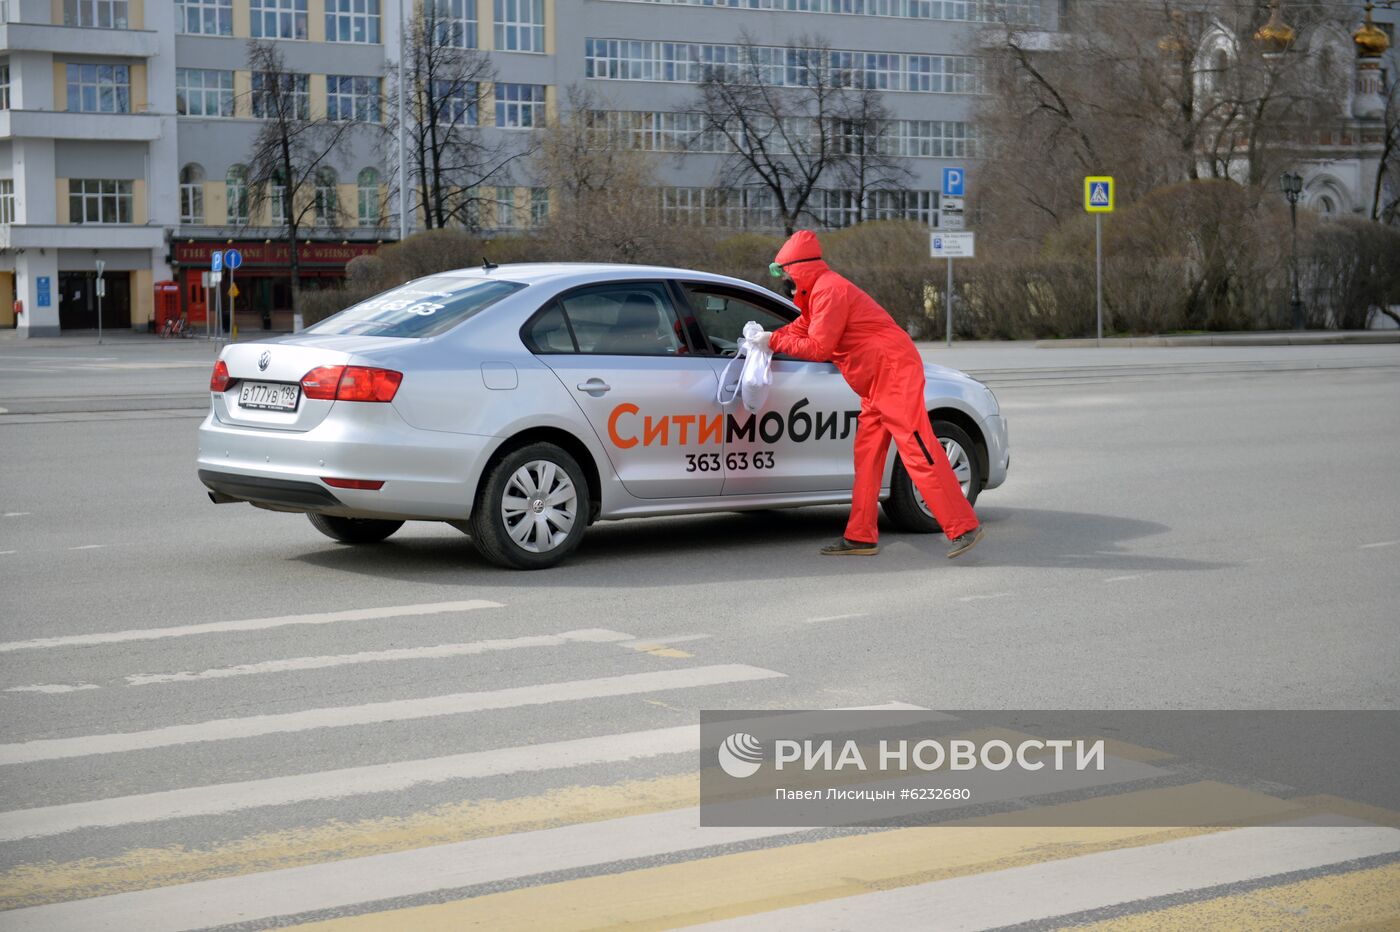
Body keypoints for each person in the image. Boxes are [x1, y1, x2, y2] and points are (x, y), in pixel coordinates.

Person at [751, 230, 984, 559]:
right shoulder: (819, 292)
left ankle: (962, 526)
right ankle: (861, 536)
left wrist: (772, 342)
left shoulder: (829, 291)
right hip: (876, 381)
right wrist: (766, 335)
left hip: (892, 374)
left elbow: (818, 347)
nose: (784, 282)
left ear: (797, 270)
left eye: (784, 273)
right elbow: (804, 327)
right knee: (868, 456)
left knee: (918, 449)